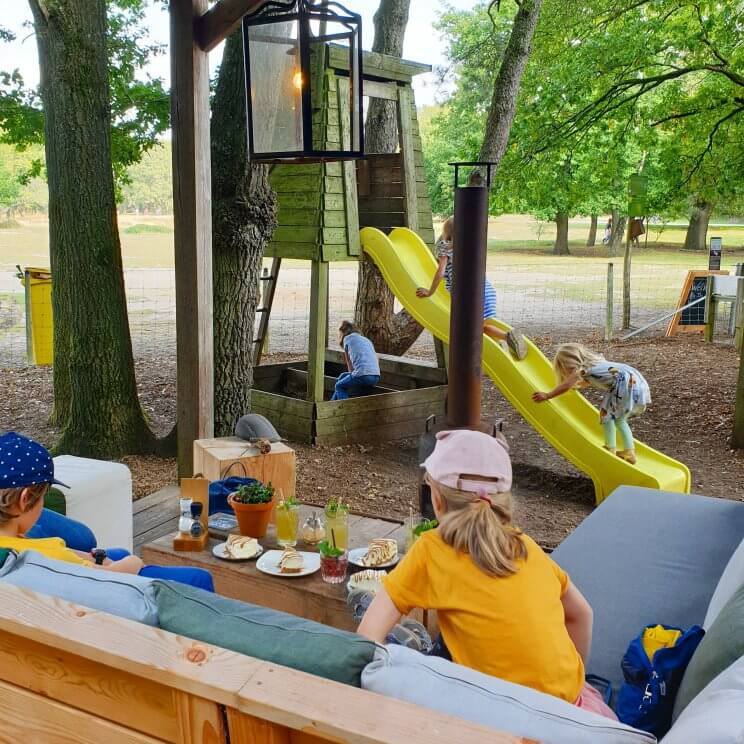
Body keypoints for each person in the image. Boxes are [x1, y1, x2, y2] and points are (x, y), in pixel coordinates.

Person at [357, 429, 616, 720]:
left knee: (412, 655)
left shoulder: (431, 549)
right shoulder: (526, 545)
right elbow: (583, 614)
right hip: (573, 714)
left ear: (437, 500)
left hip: (500, 719)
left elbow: (367, 637)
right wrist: (571, 684)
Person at [0, 432, 214, 591]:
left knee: (117, 553)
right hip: (112, 596)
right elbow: (105, 578)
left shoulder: (14, 547)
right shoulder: (47, 558)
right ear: (25, 499)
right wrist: (133, 563)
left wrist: (91, 557)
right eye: (44, 493)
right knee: (200, 578)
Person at [415, 217, 527, 360]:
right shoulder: (469, 244)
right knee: (480, 326)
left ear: (446, 231)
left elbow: (441, 271)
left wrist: (430, 292)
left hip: (469, 295)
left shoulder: (445, 245)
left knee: (474, 328)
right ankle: (502, 342)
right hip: (486, 290)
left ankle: (507, 338)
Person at [532, 343, 651, 465]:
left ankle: (610, 449)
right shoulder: (595, 364)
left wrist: (547, 395)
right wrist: (576, 386)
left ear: (569, 362)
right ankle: (629, 452)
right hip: (635, 381)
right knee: (620, 420)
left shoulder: (581, 370)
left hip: (625, 384)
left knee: (607, 415)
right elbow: (592, 380)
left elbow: (566, 385)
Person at [331, 321, 381, 401]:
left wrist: (353, 376)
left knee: (339, 386)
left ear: (343, 332)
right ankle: (332, 402)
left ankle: (344, 410)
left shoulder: (347, 339)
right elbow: (376, 359)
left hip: (363, 376)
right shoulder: (367, 340)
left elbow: (350, 365)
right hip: (376, 376)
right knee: (342, 376)